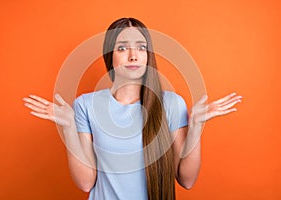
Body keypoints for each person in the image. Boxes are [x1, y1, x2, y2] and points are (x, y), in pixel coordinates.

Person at [23, 18, 242, 200]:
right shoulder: (85, 105)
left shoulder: (172, 104)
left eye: (141, 47)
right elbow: (85, 183)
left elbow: (187, 180)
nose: (133, 55)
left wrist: (196, 126)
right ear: (110, 56)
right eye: (122, 48)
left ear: (148, 55)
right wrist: (69, 128)